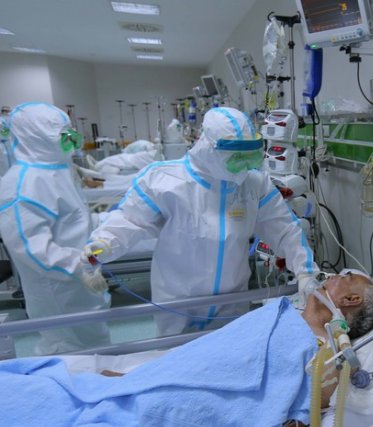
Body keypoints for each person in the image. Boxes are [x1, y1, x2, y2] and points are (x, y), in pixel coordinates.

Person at [0, 271, 373, 427]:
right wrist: (136, 375)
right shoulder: (281, 311)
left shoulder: (327, 357)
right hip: (133, 389)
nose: (331, 276)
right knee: (5, 392)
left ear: (350, 299)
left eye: (343, 277)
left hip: (163, 419)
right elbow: (205, 355)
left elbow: (290, 426)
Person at [84, 106, 319, 337]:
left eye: (249, 156)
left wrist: (305, 272)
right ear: (209, 147)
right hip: (178, 301)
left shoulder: (255, 184)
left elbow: (283, 229)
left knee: (230, 352)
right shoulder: (164, 180)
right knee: (177, 352)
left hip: (232, 300)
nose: (244, 165)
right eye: (236, 157)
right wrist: (104, 244)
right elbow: (130, 219)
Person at [0, 102, 111, 354]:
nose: (72, 140)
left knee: (94, 346)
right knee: (67, 349)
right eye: (64, 136)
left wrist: (110, 222)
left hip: (78, 282)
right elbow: (34, 251)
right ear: (36, 137)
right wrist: (82, 265)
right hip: (57, 288)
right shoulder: (22, 186)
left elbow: (75, 220)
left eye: (71, 133)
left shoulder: (56, 171)